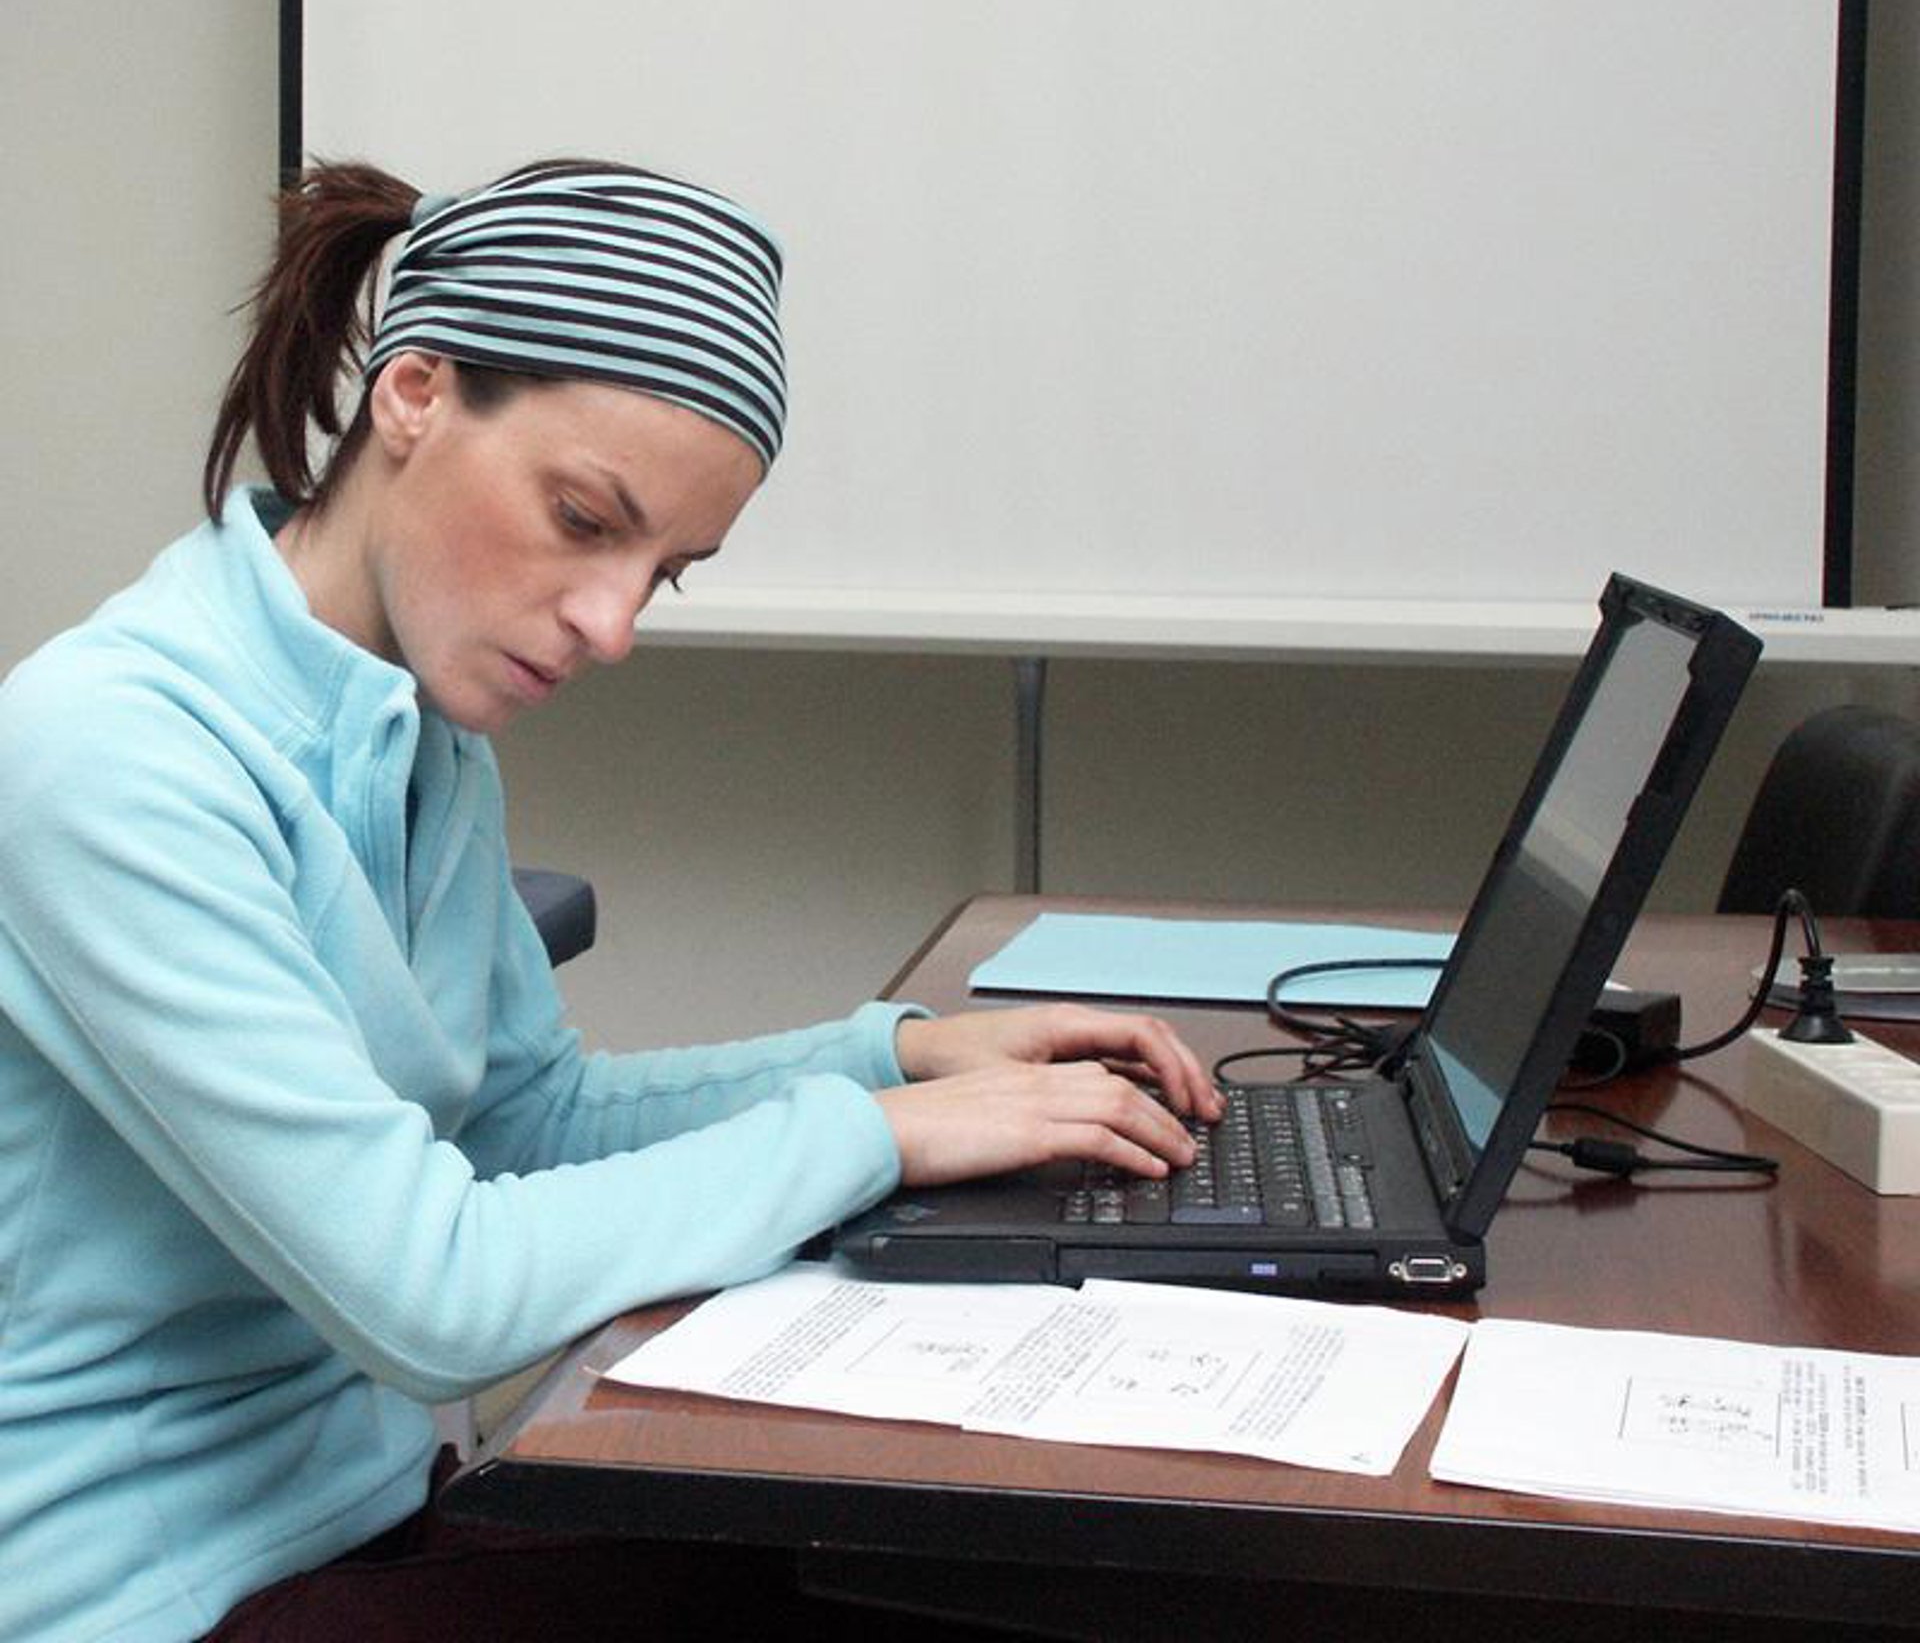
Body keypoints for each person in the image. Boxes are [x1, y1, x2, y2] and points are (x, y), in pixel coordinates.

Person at [0, 157, 1222, 1642]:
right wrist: (880, 1137)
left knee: (955, 1556)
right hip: (144, 1594)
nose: (613, 624)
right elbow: (431, 1295)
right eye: (584, 519)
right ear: (414, 393)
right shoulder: (111, 754)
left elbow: (529, 1124)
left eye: (667, 572)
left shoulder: (416, 730)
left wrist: (892, 1060)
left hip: (359, 1519)